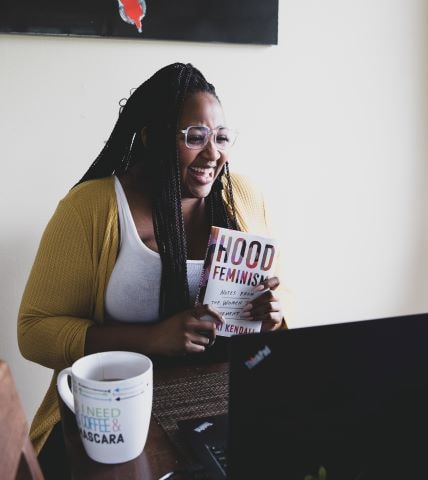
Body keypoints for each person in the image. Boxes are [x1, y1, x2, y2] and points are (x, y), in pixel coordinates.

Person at [17, 62, 290, 477]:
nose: (212, 153)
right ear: (152, 138)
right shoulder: (91, 210)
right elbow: (34, 332)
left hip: (220, 403)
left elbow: (280, 301)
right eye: (194, 137)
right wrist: (153, 339)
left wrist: (273, 315)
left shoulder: (242, 197)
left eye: (220, 137)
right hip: (112, 414)